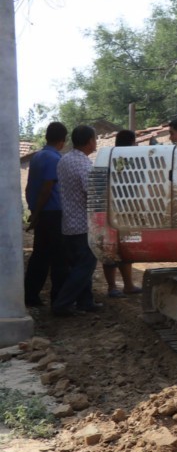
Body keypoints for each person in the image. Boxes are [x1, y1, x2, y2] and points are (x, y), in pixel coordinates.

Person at [52, 125, 102, 317]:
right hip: (82, 224)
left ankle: (85, 302)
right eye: (95, 138)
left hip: (68, 223)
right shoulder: (83, 164)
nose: (95, 142)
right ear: (90, 140)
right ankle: (62, 304)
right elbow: (92, 192)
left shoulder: (65, 160)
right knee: (85, 266)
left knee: (79, 265)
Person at [23, 121, 69, 307]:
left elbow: (30, 187)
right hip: (52, 213)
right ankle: (58, 300)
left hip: (42, 213)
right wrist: (38, 213)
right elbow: (47, 189)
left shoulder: (37, 157)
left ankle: (31, 295)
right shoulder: (54, 159)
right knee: (59, 258)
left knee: (40, 255)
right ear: (63, 140)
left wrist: (34, 210)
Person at [102, 130, 142, 299]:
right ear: (131, 142)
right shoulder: (127, 158)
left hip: (111, 209)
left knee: (111, 248)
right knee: (124, 247)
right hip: (125, 209)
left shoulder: (111, 156)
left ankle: (114, 287)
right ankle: (127, 285)